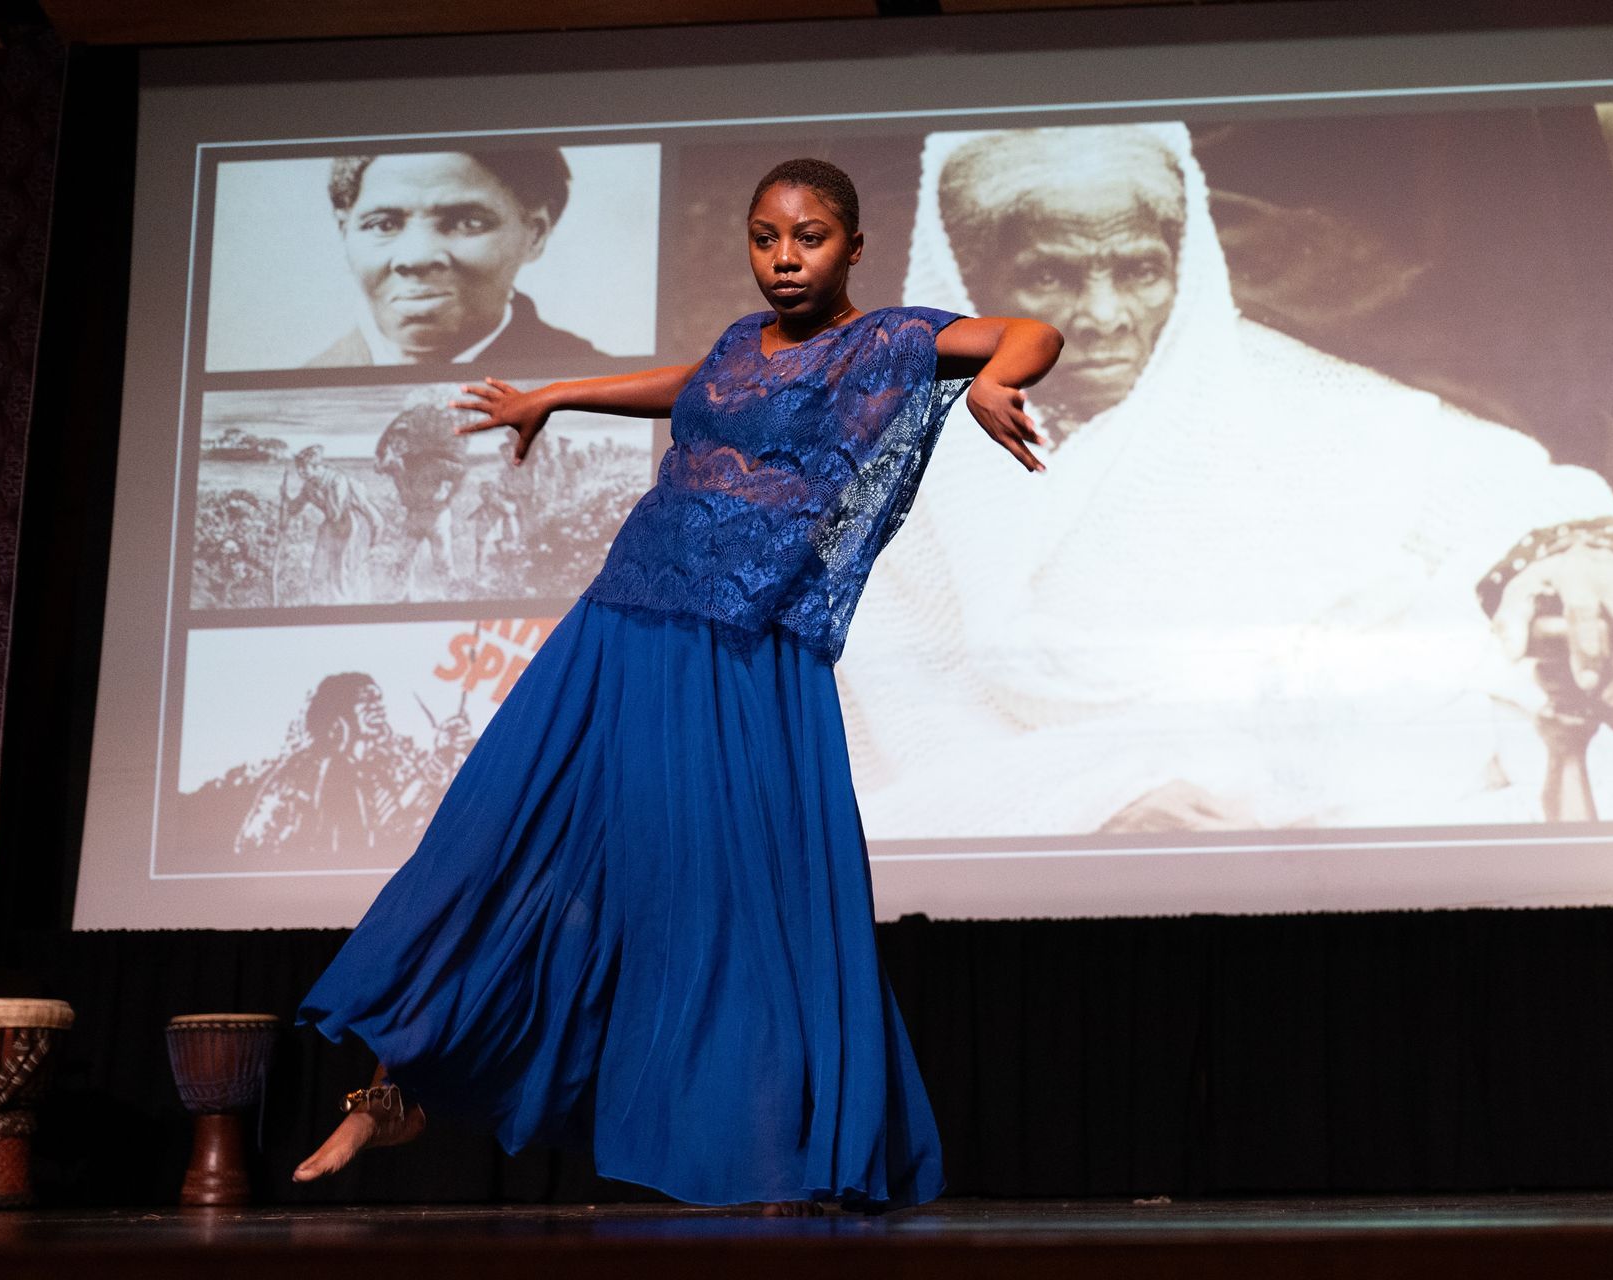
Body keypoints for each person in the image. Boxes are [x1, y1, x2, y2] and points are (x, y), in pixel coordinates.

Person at [290, 158, 1063, 1213]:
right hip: (626, 619)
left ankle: (780, 1142)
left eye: (809, 238)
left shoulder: (885, 341)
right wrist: (559, 392)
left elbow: (1029, 330)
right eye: (764, 237)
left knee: (746, 890)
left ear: (853, 248)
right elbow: (695, 384)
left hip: (750, 644)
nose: (784, 258)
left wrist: (989, 378)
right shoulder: (743, 345)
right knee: (503, 841)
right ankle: (398, 1082)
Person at [839, 123, 1613, 839]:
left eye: (1136, 270)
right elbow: (844, 747)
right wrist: (1083, 803)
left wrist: (1577, 554)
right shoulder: (876, 463)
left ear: (1182, 265)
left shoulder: (1281, 392)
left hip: (1337, 830)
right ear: (973, 284)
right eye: (1052, 276)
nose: (1102, 316)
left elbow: (1515, 495)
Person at [307, 148, 605, 367]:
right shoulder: (310, 374)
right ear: (344, 232)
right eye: (384, 225)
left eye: (469, 223)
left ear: (535, 236)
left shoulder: (598, 380)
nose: (417, 257)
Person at [231, 674, 473, 859]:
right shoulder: (303, 770)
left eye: (379, 700)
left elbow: (395, 819)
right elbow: (256, 841)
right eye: (367, 702)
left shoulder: (369, 772)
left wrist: (442, 754)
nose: (379, 707)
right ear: (338, 714)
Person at [373, 403, 470, 600]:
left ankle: (454, 601)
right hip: (414, 516)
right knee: (403, 560)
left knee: (442, 562)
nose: (397, 447)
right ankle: (405, 598)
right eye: (394, 444)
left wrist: (449, 498)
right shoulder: (396, 465)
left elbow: (461, 473)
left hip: (436, 516)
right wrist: (384, 444)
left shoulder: (433, 462)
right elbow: (379, 461)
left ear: (412, 443)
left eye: (401, 442)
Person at [282, 444, 384, 605]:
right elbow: (296, 507)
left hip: (348, 524)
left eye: (304, 468)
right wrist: (286, 499)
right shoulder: (309, 484)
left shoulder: (337, 480)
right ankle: (317, 604)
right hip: (330, 526)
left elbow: (335, 513)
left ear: (316, 466)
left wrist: (323, 492)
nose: (300, 472)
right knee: (318, 567)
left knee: (340, 569)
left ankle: (342, 604)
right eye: (298, 468)